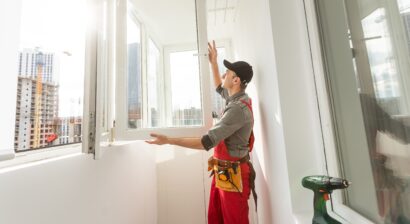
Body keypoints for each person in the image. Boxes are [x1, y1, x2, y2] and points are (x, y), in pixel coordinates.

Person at [146, 40, 257, 224]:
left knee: (234, 221)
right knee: (217, 217)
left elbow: (206, 142)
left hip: (234, 174)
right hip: (224, 170)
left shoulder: (237, 109)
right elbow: (219, 88)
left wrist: (169, 140)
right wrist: (213, 62)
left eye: (228, 73)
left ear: (236, 80)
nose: (224, 74)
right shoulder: (236, 98)